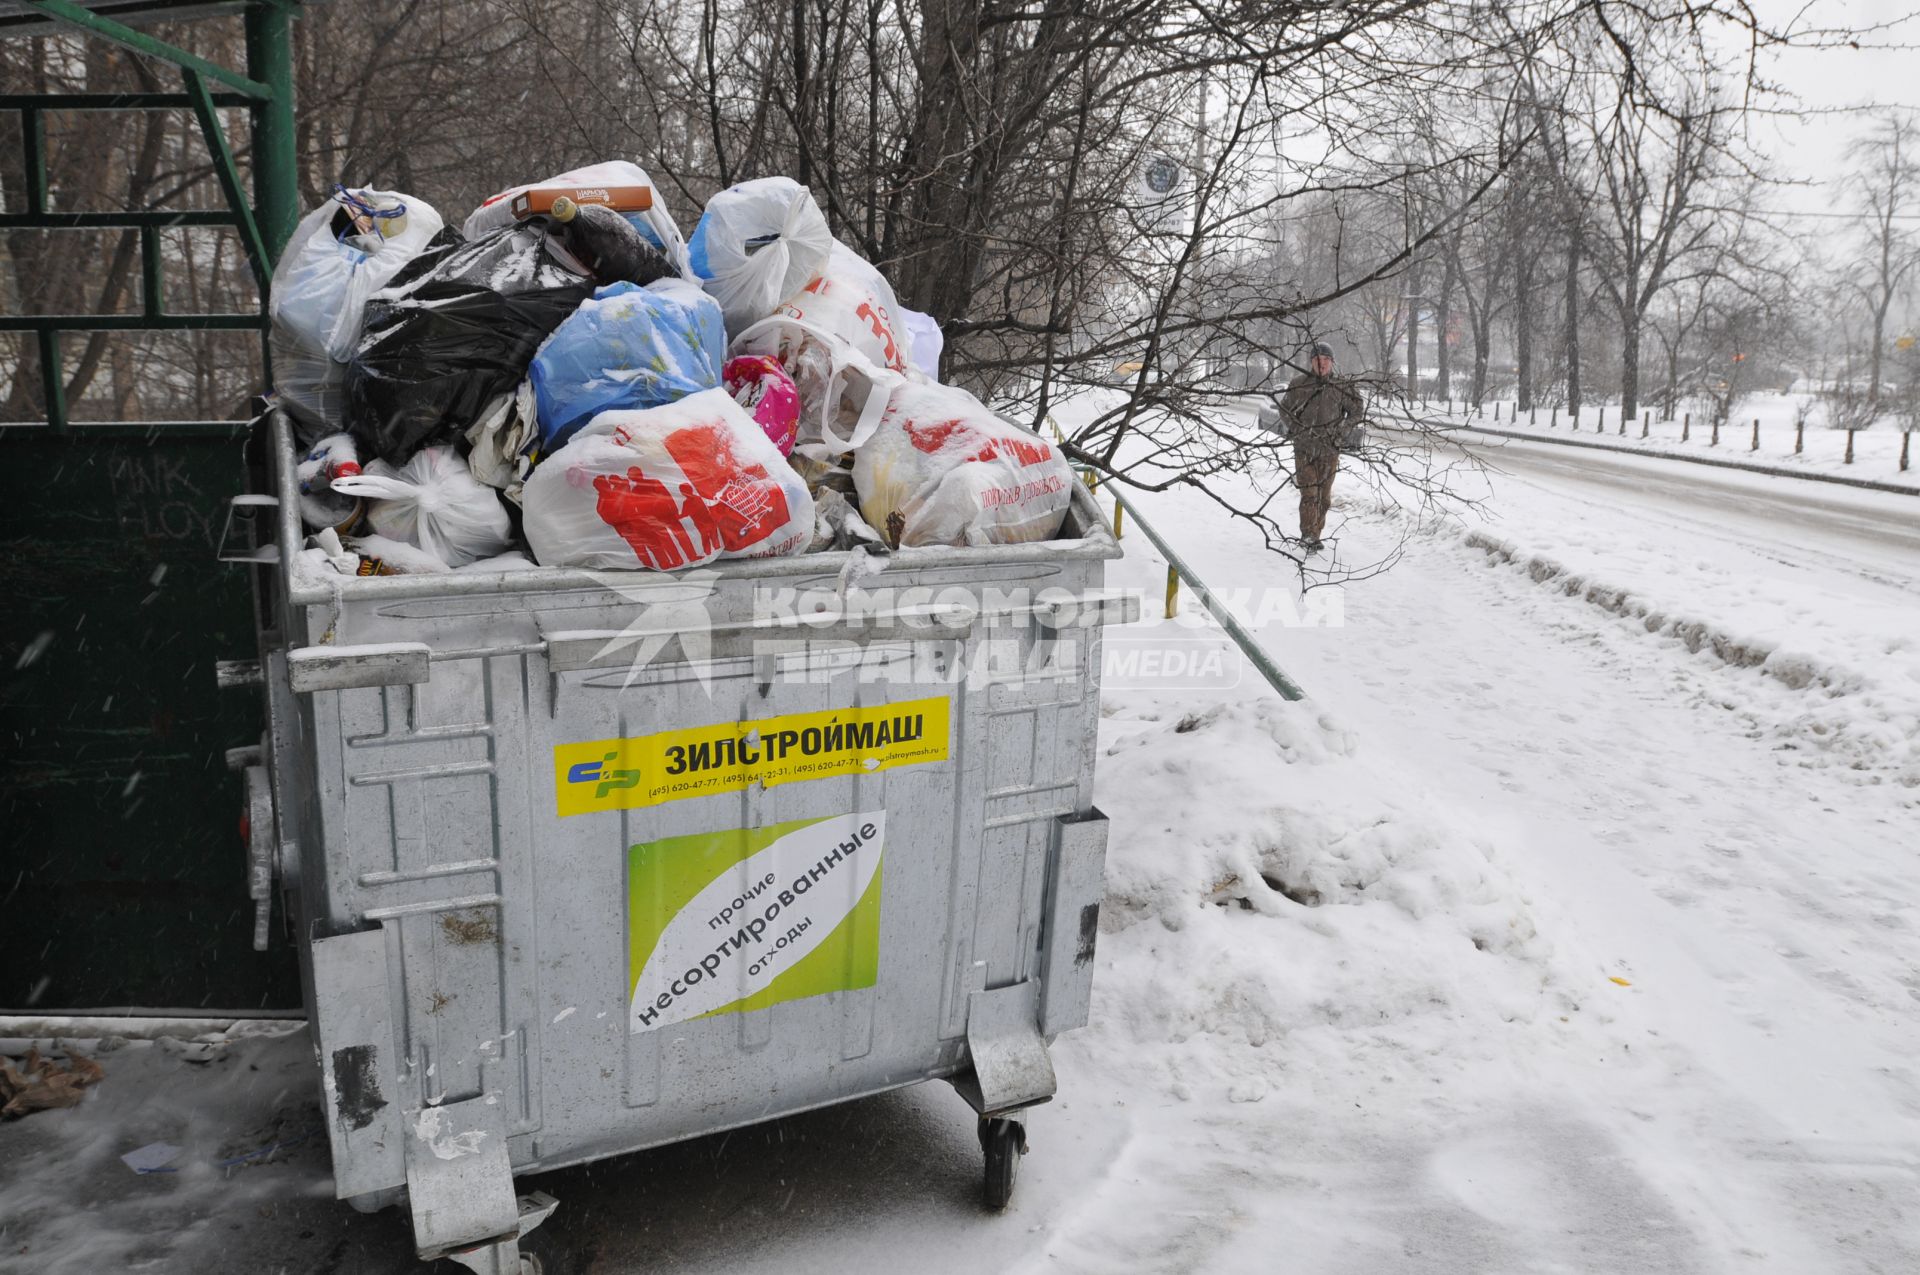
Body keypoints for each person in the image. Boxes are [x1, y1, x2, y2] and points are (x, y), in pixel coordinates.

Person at [1274, 342, 1364, 552]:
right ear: (1311, 362)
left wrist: (1341, 429)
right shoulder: (1299, 384)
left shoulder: (1341, 386)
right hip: (1304, 449)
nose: (1321, 365)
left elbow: (1357, 410)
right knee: (1309, 494)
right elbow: (1284, 409)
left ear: (1332, 362)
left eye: (1325, 360)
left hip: (1330, 450)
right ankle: (1308, 535)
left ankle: (1315, 532)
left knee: (1323, 498)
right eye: (1317, 360)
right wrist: (1297, 429)